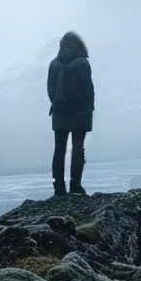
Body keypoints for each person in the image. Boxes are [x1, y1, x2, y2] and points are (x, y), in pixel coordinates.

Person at [47, 31, 95, 197]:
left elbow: (50, 90)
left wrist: (57, 104)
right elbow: (88, 88)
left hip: (59, 113)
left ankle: (58, 188)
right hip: (80, 112)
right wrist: (89, 106)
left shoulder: (54, 64)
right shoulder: (82, 63)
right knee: (77, 149)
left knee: (59, 150)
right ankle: (75, 186)